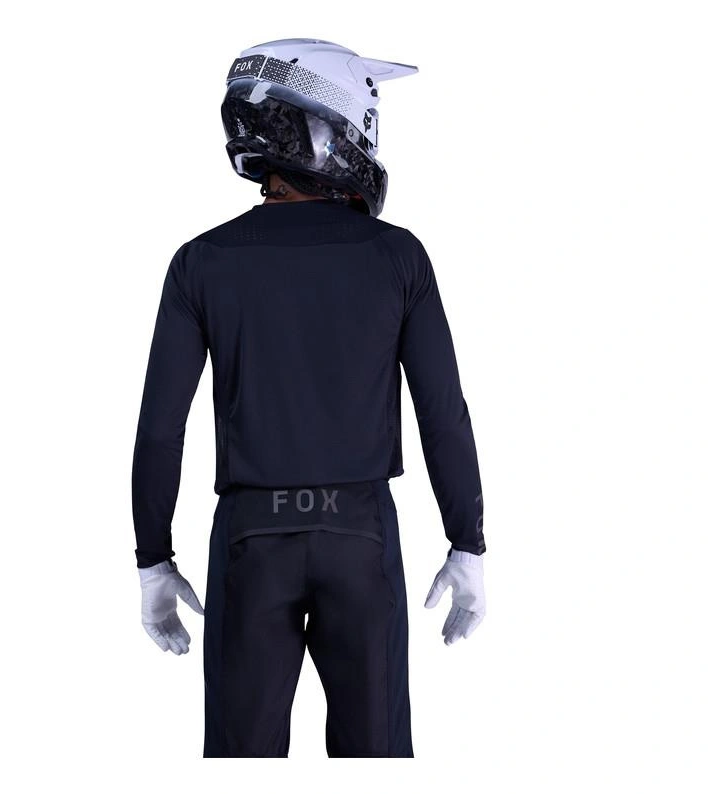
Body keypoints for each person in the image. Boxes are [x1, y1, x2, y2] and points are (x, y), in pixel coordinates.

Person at [131, 38, 487, 759]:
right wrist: (467, 541)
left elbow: (160, 429)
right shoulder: (397, 256)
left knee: (240, 760)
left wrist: (153, 559)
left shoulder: (202, 261)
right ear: (339, 120)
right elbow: (442, 412)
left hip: (249, 538)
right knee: (376, 757)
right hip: (360, 534)